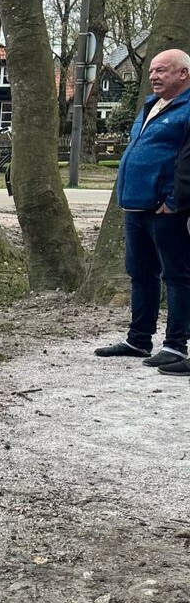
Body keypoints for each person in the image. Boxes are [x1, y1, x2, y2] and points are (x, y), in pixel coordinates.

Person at [100, 48, 190, 372]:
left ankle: (176, 346)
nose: (153, 76)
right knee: (140, 273)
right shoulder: (151, 104)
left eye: (162, 70)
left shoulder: (187, 109)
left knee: (177, 275)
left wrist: (175, 200)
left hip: (165, 208)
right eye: (152, 71)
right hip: (135, 205)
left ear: (183, 74)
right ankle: (139, 339)